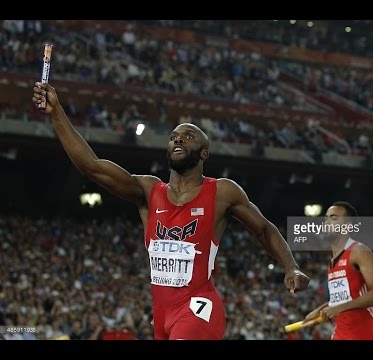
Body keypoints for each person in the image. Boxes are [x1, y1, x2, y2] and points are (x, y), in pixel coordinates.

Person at [32, 82, 310, 340]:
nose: (178, 140)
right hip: (161, 314)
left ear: (203, 154)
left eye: (187, 137)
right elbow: (91, 166)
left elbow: (263, 228)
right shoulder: (148, 192)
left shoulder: (222, 192)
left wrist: (291, 266)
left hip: (198, 308)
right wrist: (57, 112)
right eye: (173, 137)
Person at [303, 201, 373, 340]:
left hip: (368, 332)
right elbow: (346, 297)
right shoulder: (332, 261)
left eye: (333, 218)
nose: (326, 222)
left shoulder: (358, 251)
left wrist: (338, 308)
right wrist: (319, 310)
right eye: (326, 218)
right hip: (342, 333)